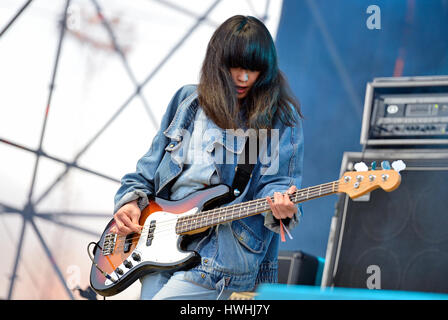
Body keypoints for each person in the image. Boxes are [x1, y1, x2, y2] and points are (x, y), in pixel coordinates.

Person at [110, 15, 304, 300]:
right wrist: (129, 201)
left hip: (220, 255)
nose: (243, 77)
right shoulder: (187, 102)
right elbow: (147, 170)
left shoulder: (275, 119)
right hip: (159, 243)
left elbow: (276, 185)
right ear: (217, 63)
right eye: (235, 67)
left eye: (254, 69)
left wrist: (283, 207)